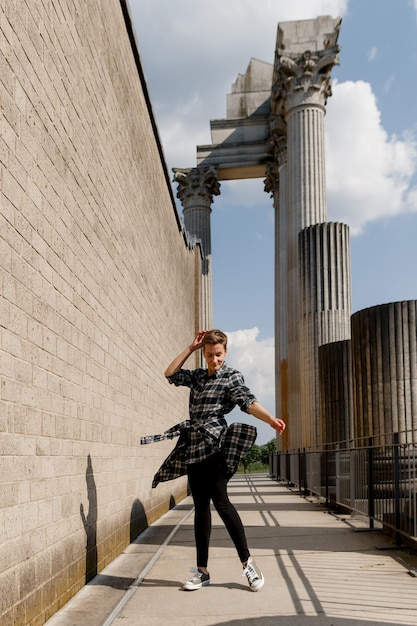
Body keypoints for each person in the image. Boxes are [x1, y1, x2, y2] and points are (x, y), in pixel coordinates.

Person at [163, 329, 286, 592]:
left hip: (216, 446)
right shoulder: (197, 376)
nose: (214, 360)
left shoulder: (231, 377)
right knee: (200, 507)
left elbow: (248, 402)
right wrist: (190, 348)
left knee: (221, 502)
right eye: (209, 355)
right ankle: (202, 571)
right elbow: (170, 373)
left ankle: (248, 564)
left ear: (225, 352)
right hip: (194, 447)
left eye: (218, 355)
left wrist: (270, 419)